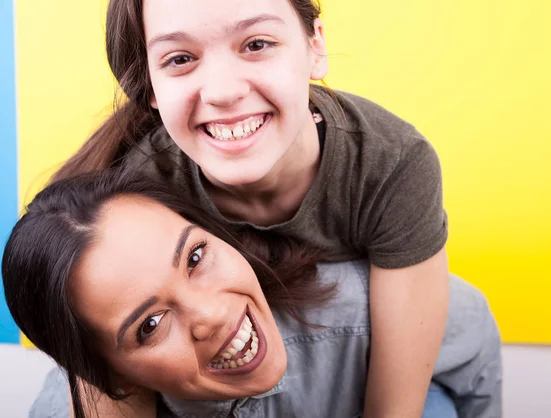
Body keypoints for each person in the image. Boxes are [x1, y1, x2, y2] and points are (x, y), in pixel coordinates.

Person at [47, 0, 502, 416]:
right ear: (151, 87)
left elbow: (394, 406)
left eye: (257, 44)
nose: (223, 92)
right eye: (180, 59)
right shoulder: (140, 194)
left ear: (314, 47)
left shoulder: (390, 162)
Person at [3, 171, 493, 418]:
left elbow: (469, 324)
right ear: (108, 376)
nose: (212, 314)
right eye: (149, 326)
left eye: (195, 257)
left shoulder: (348, 313)